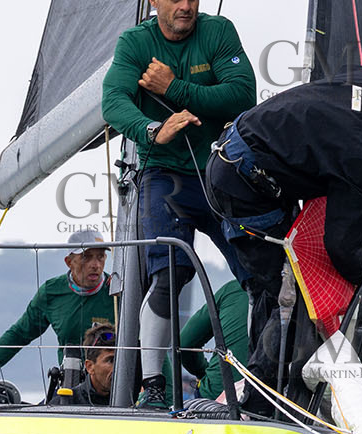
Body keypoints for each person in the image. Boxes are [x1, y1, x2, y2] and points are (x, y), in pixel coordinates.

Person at [204, 66, 362, 392]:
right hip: (243, 189)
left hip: (235, 154)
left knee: (276, 289)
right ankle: (257, 402)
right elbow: (341, 245)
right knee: (294, 300)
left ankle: (258, 392)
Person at [101, 0, 256, 409]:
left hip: (221, 174)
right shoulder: (135, 42)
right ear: (154, 1)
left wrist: (173, 89)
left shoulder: (219, 31)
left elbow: (243, 95)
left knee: (257, 276)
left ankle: (262, 378)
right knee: (170, 273)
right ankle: (152, 387)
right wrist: (151, 129)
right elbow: (113, 102)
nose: (185, 5)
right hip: (166, 176)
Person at [0, 230, 117, 396]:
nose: (95, 265)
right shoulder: (51, 292)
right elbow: (18, 335)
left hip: (115, 388)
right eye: (86, 257)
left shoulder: (116, 292)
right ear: (69, 262)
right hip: (71, 387)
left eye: (100, 257)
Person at [175, 278, 247, 403]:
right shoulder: (290, 295)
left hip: (216, 392)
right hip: (273, 401)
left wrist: (205, 374)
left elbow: (185, 342)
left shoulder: (234, 288)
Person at [71, 323, 117, 407]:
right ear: (90, 367)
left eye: (120, 361)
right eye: (111, 360)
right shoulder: (65, 405)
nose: (118, 368)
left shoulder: (137, 400)